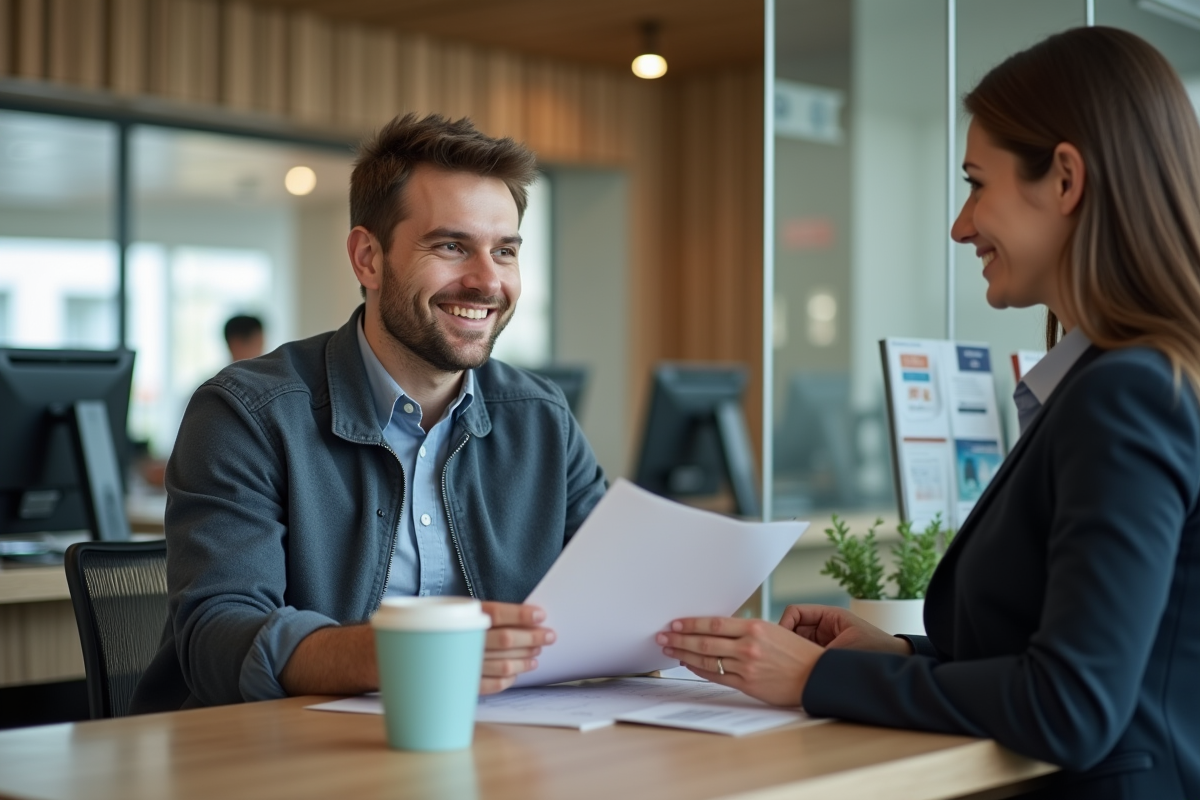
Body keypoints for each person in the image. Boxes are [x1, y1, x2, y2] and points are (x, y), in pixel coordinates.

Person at [657, 27, 1200, 800]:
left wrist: (818, 678)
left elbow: (1073, 706)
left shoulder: (1128, 394)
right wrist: (900, 657)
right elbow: (1078, 654)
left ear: (1067, 178)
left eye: (978, 183)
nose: (961, 225)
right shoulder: (1130, 382)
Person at [131, 114, 607, 712]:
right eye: (452, 245)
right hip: (279, 757)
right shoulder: (245, 412)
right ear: (368, 258)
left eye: (505, 251)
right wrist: (415, 653)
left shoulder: (542, 417)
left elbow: (619, 587)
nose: (487, 281)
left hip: (496, 744)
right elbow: (217, 638)